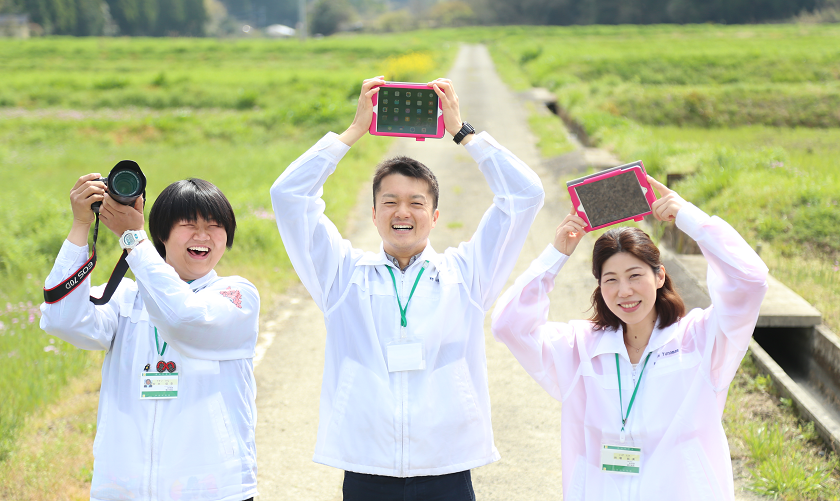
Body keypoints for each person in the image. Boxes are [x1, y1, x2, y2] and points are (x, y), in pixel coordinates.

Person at [271, 76, 544, 500]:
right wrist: (352, 133)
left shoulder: (466, 275)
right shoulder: (343, 277)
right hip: (366, 467)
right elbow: (289, 196)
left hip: (448, 467)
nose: (403, 212)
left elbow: (524, 196)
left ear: (435, 216)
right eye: (390, 202)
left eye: (416, 202)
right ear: (375, 213)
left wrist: (463, 133)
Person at [491, 176, 768, 500]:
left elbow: (750, 281)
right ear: (600, 287)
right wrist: (556, 254)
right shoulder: (580, 348)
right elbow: (508, 324)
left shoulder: (701, 340)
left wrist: (689, 218)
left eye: (635, 275)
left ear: (659, 275)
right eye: (611, 279)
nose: (624, 291)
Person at [40, 175, 259, 501]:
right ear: (161, 233)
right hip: (124, 487)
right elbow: (60, 319)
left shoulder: (235, 296)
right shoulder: (124, 297)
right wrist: (80, 224)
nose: (203, 236)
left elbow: (185, 318)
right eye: (189, 224)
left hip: (211, 488)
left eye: (214, 226)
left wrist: (133, 239)